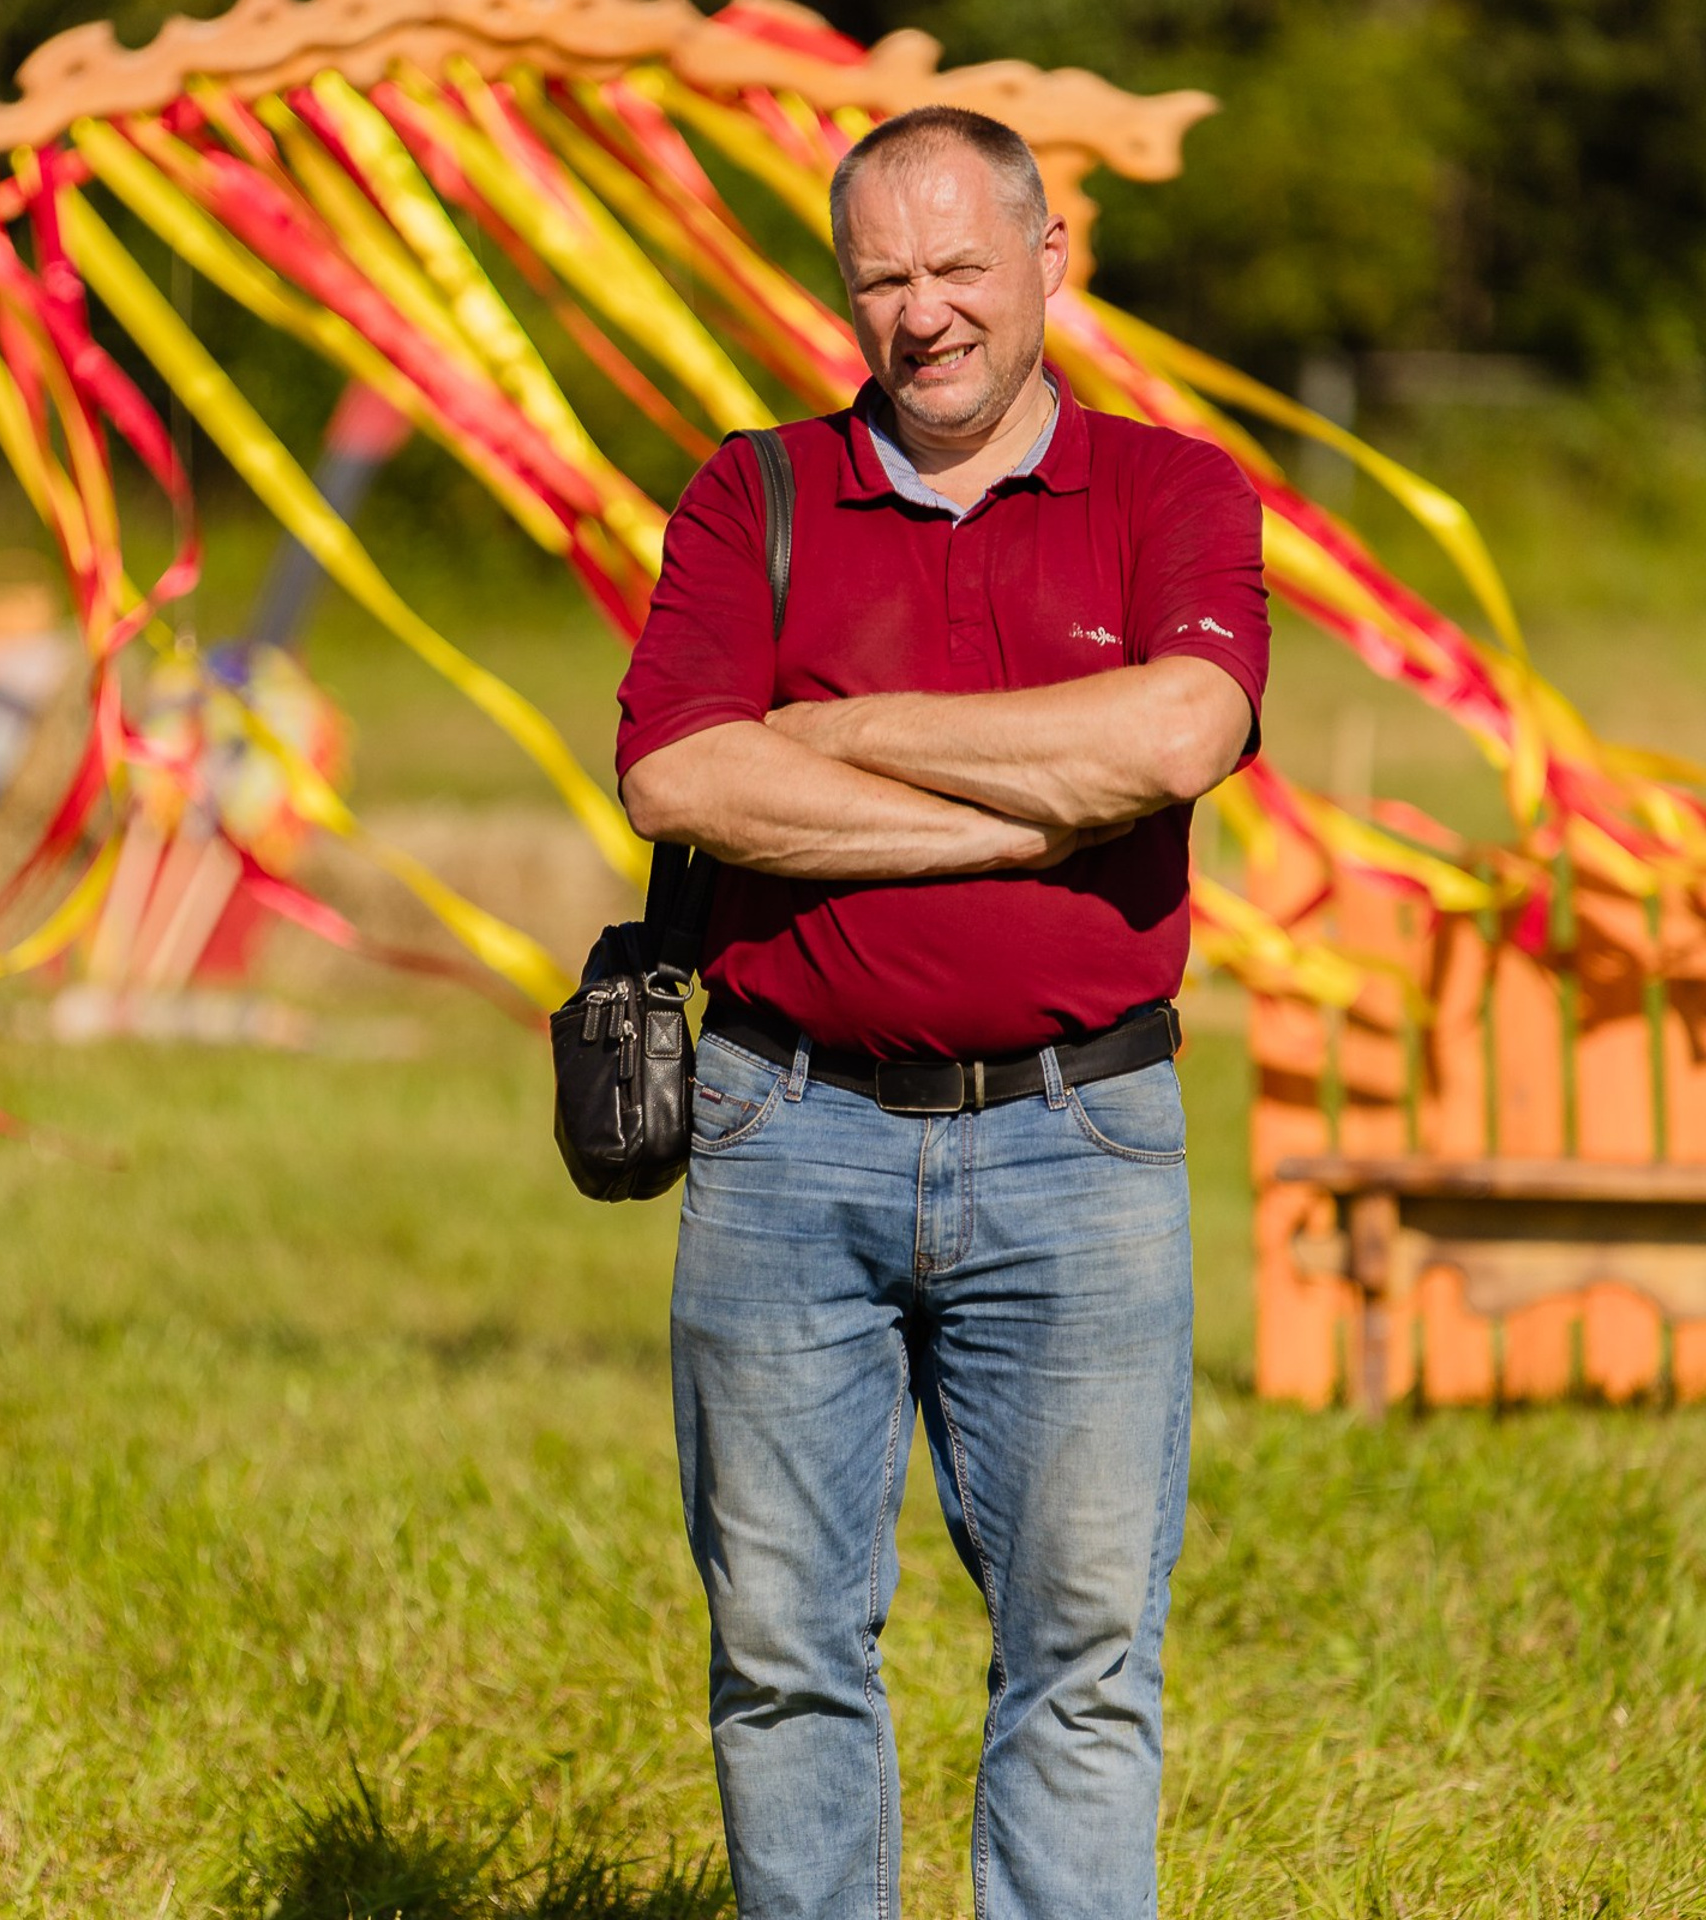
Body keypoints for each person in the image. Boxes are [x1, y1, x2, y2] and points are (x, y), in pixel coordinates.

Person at [614, 104, 1268, 1920]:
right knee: (781, 1652)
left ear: (1052, 260)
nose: (926, 314)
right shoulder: (751, 493)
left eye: (963, 265)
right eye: (884, 278)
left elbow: (1178, 738)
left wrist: (827, 737)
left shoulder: (1174, 493)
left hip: (1085, 1136)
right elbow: (678, 782)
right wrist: (1038, 810)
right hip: (778, 1129)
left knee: (1083, 1655)